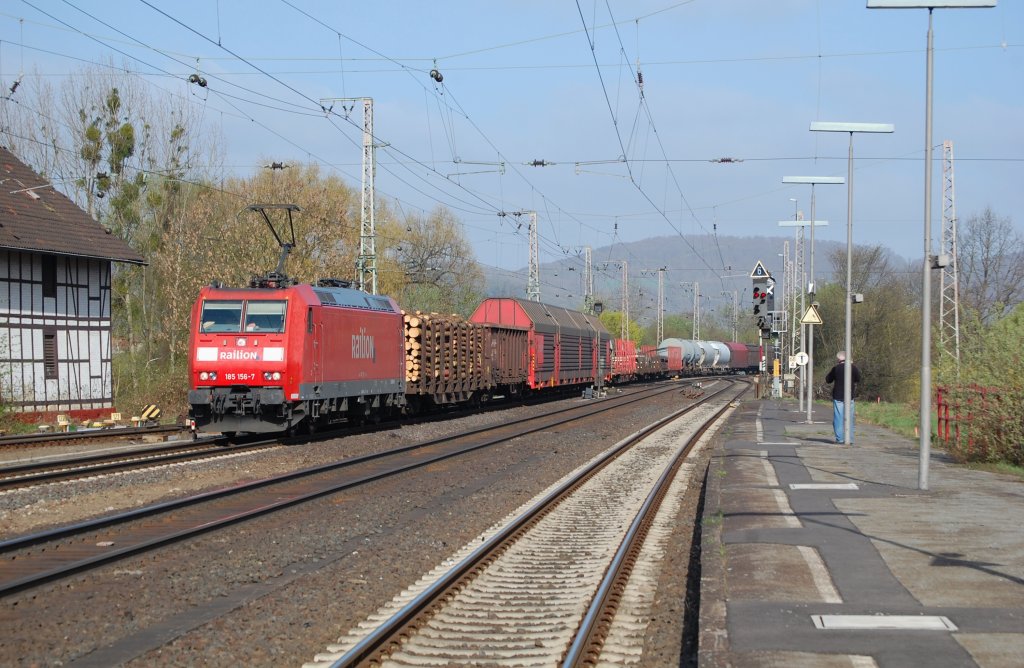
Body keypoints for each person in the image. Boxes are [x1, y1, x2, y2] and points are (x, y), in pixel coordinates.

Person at [825, 351, 861, 444]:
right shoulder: (853, 368)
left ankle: (839, 439)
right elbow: (858, 379)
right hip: (850, 396)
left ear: (839, 359)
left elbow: (828, 379)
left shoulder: (836, 368)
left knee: (838, 417)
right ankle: (850, 439)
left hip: (838, 396)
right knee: (850, 418)